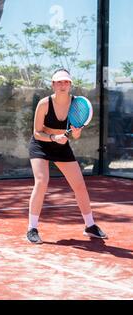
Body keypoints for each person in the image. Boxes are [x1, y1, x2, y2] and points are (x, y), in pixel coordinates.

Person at [26, 69, 107, 244]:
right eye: (59, 82)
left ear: (70, 85)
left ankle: (90, 226)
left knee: (79, 185)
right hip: (41, 144)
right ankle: (32, 228)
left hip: (62, 146)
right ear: (53, 84)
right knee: (41, 181)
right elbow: (36, 132)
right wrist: (53, 137)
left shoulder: (76, 104)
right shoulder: (44, 104)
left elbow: (75, 135)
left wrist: (75, 133)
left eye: (66, 82)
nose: (63, 85)